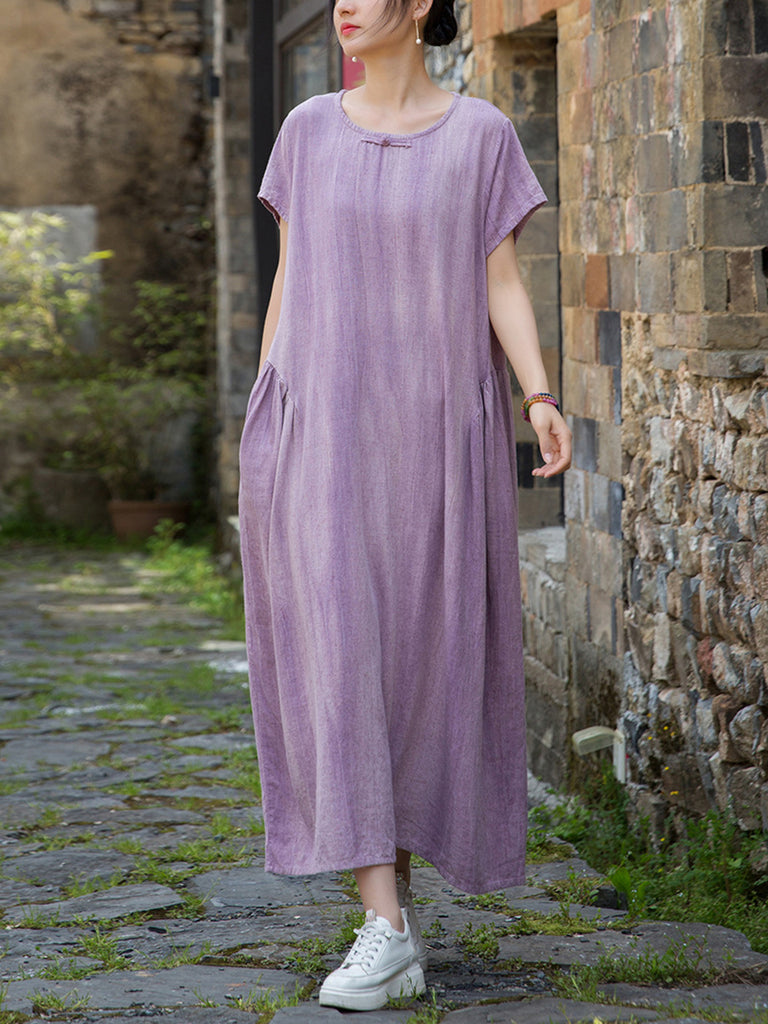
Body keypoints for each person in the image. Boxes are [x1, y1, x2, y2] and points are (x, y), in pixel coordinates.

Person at [238, 0, 572, 1011]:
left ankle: (397, 925)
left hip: (436, 441)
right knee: (338, 660)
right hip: (322, 438)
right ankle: (383, 924)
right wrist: (266, 415)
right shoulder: (306, 132)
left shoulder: (482, 135)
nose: (343, 5)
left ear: (420, 5)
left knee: (423, 662)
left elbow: (499, 279)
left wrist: (540, 397)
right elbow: (291, 279)